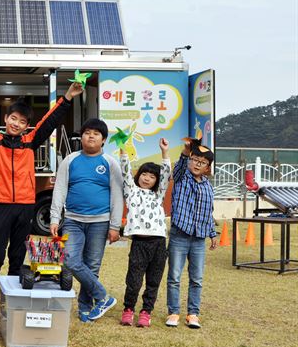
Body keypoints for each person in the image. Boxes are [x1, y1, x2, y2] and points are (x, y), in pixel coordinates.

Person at [0, 69, 79, 321]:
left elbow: (49, 121)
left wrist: (68, 97)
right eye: (13, 119)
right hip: (1, 207)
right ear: (6, 119)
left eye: (22, 122)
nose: (17, 124)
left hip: (25, 206)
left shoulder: (30, 142)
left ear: (27, 125)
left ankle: (12, 301)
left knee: (17, 257)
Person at [50, 118, 123, 323]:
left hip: (100, 222)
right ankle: (103, 297)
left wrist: (115, 225)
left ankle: (85, 307)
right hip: (73, 220)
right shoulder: (70, 160)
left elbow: (117, 194)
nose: (91, 136)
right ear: (81, 137)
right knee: (70, 259)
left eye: (96, 134)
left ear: (103, 140)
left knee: (92, 266)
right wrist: (55, 217)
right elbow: (60, 189)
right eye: (87, 132)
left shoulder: (110, 163)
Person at [119, 138, 171, 328]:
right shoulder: (131, 191)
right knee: (133, 279)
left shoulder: (159, 195)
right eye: (144, 174)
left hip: (158, 243)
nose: (147, 178)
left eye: (152, 176)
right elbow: (125, 171)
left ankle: (146, 312)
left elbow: (166, 173)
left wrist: (165, 152)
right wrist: (123, 150)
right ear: (138, 175)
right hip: (139, 243)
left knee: (154, 280)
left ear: (157, 181)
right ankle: (128, 309)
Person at [166, 140, 217, 329]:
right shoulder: (181, 177)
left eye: (202, 162)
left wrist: (212, 233)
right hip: (179, 235)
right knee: (174, 276)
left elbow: (208, 212)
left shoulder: (208, 187)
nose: (197, 164)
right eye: (194, 159)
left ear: (207, 167)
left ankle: (193, 314)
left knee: (197, 278)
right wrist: (185, 152)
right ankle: (173, 312)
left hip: (198, 239)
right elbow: (178, 167)